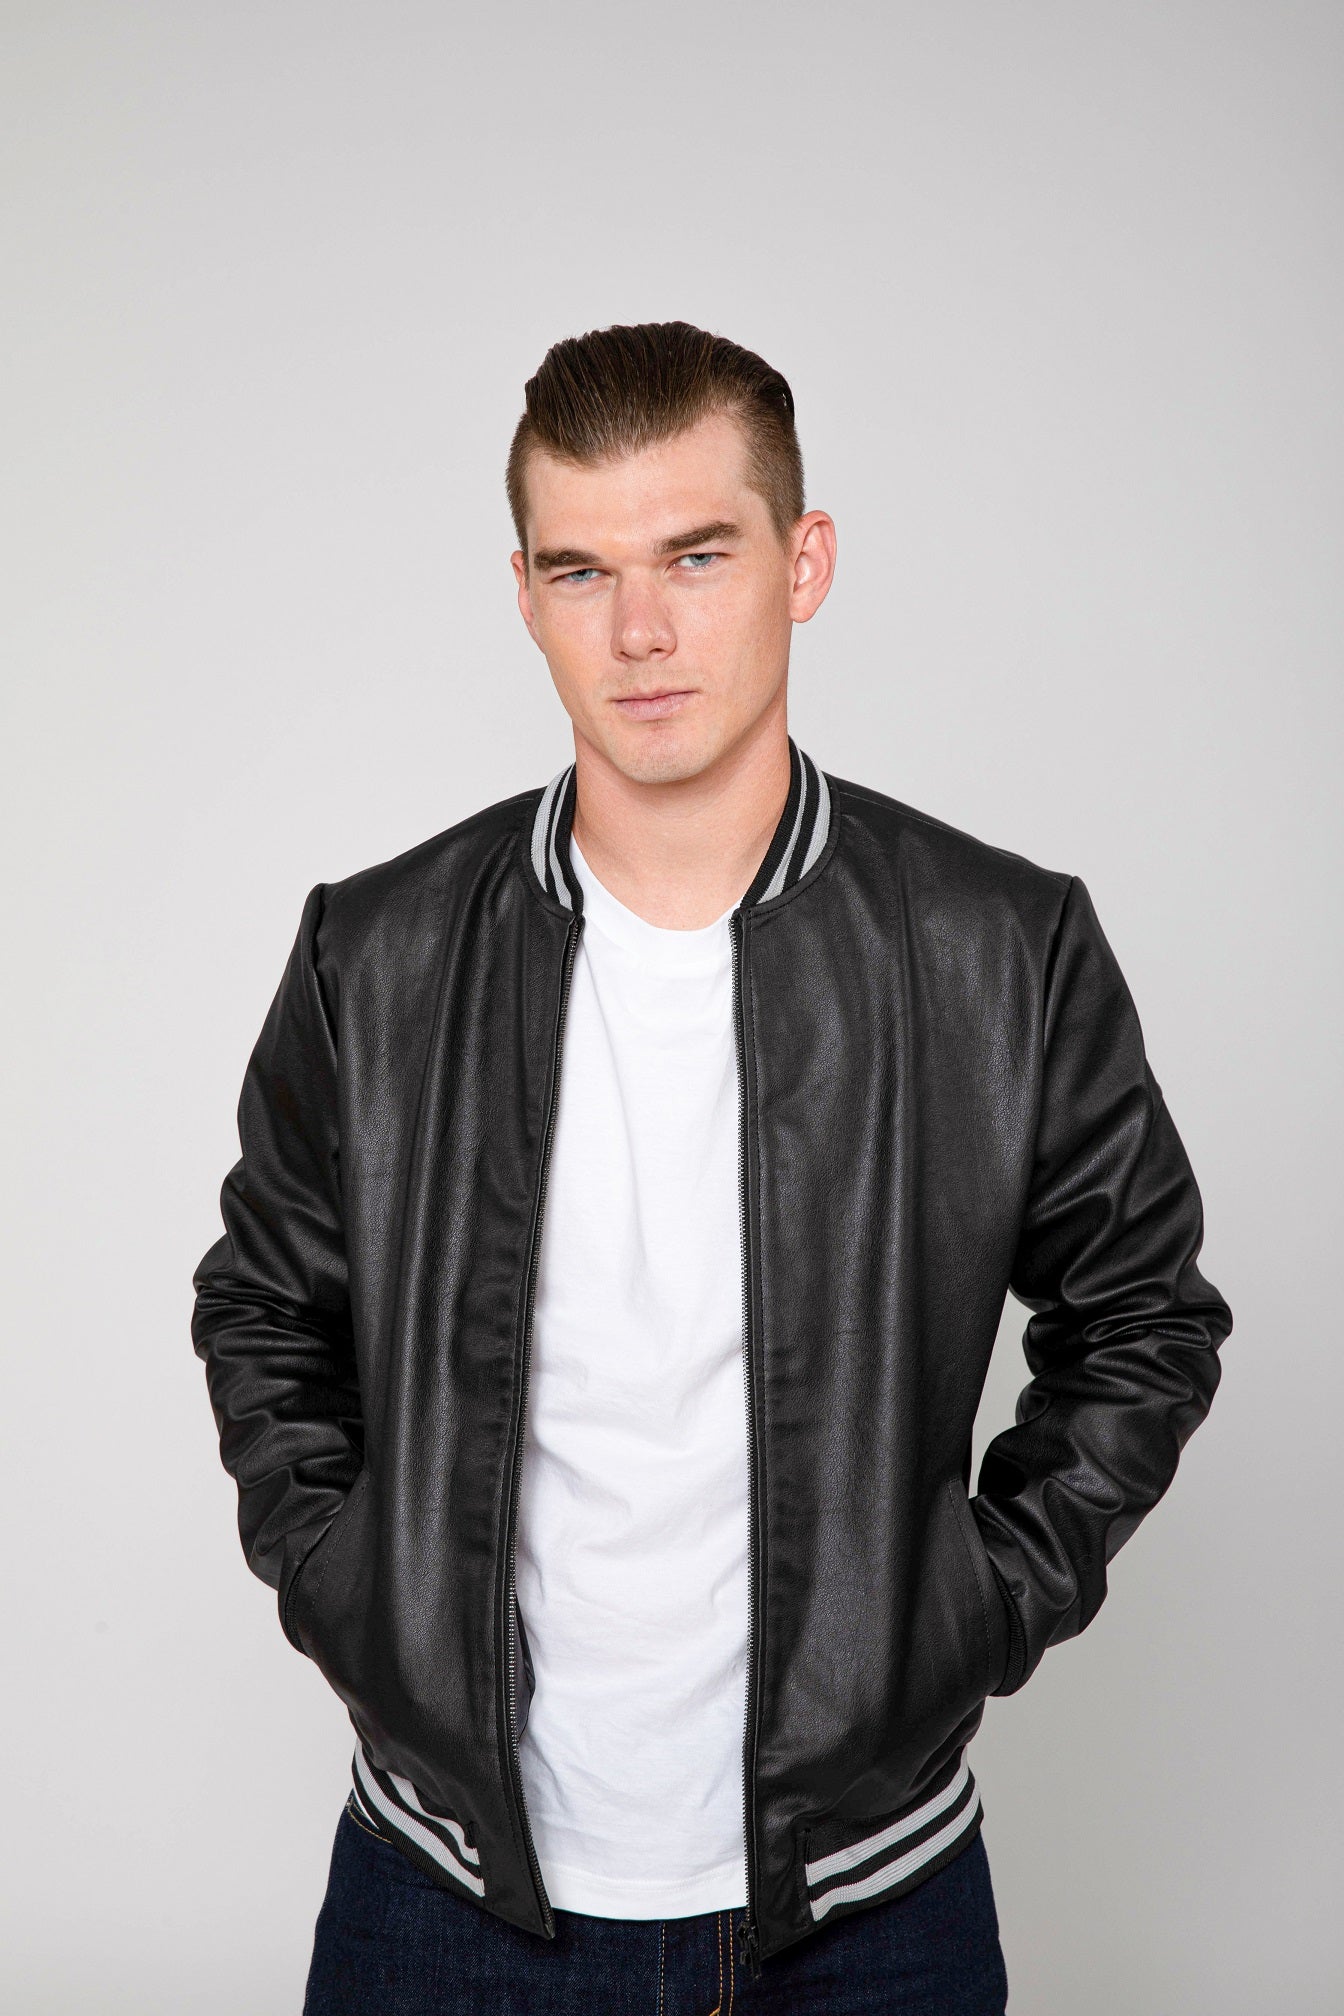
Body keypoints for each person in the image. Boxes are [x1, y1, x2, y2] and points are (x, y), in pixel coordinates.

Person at [191, 320, 1233, 2014]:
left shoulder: (998, 950)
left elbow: (1145, 1319)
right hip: (443, 1900)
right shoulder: (373, 957)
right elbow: (262, 1308)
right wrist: (352, 1588)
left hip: (868, 1908)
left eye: (696, 555)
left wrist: (963, 1613)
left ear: (802, 563)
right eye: (581, 571)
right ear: (524, 594)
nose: (641, 630)